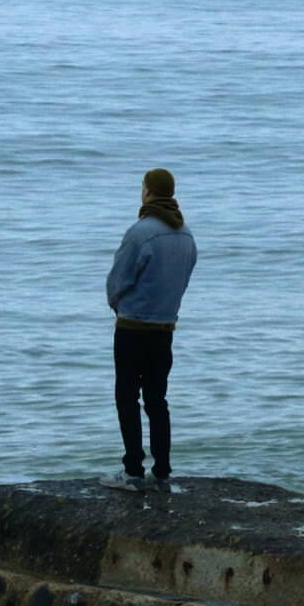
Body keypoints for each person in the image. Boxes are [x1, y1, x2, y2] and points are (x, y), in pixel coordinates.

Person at [100, 168, 197, 493]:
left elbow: (118, 280)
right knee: (157, 399)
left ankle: (132, 471)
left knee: (127, 397)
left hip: (132, 327)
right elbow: (184, 279)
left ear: (148, 192)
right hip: (164, 329)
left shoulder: (140, 232)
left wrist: (117, 304)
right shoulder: (185, 234)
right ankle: (163, 472)